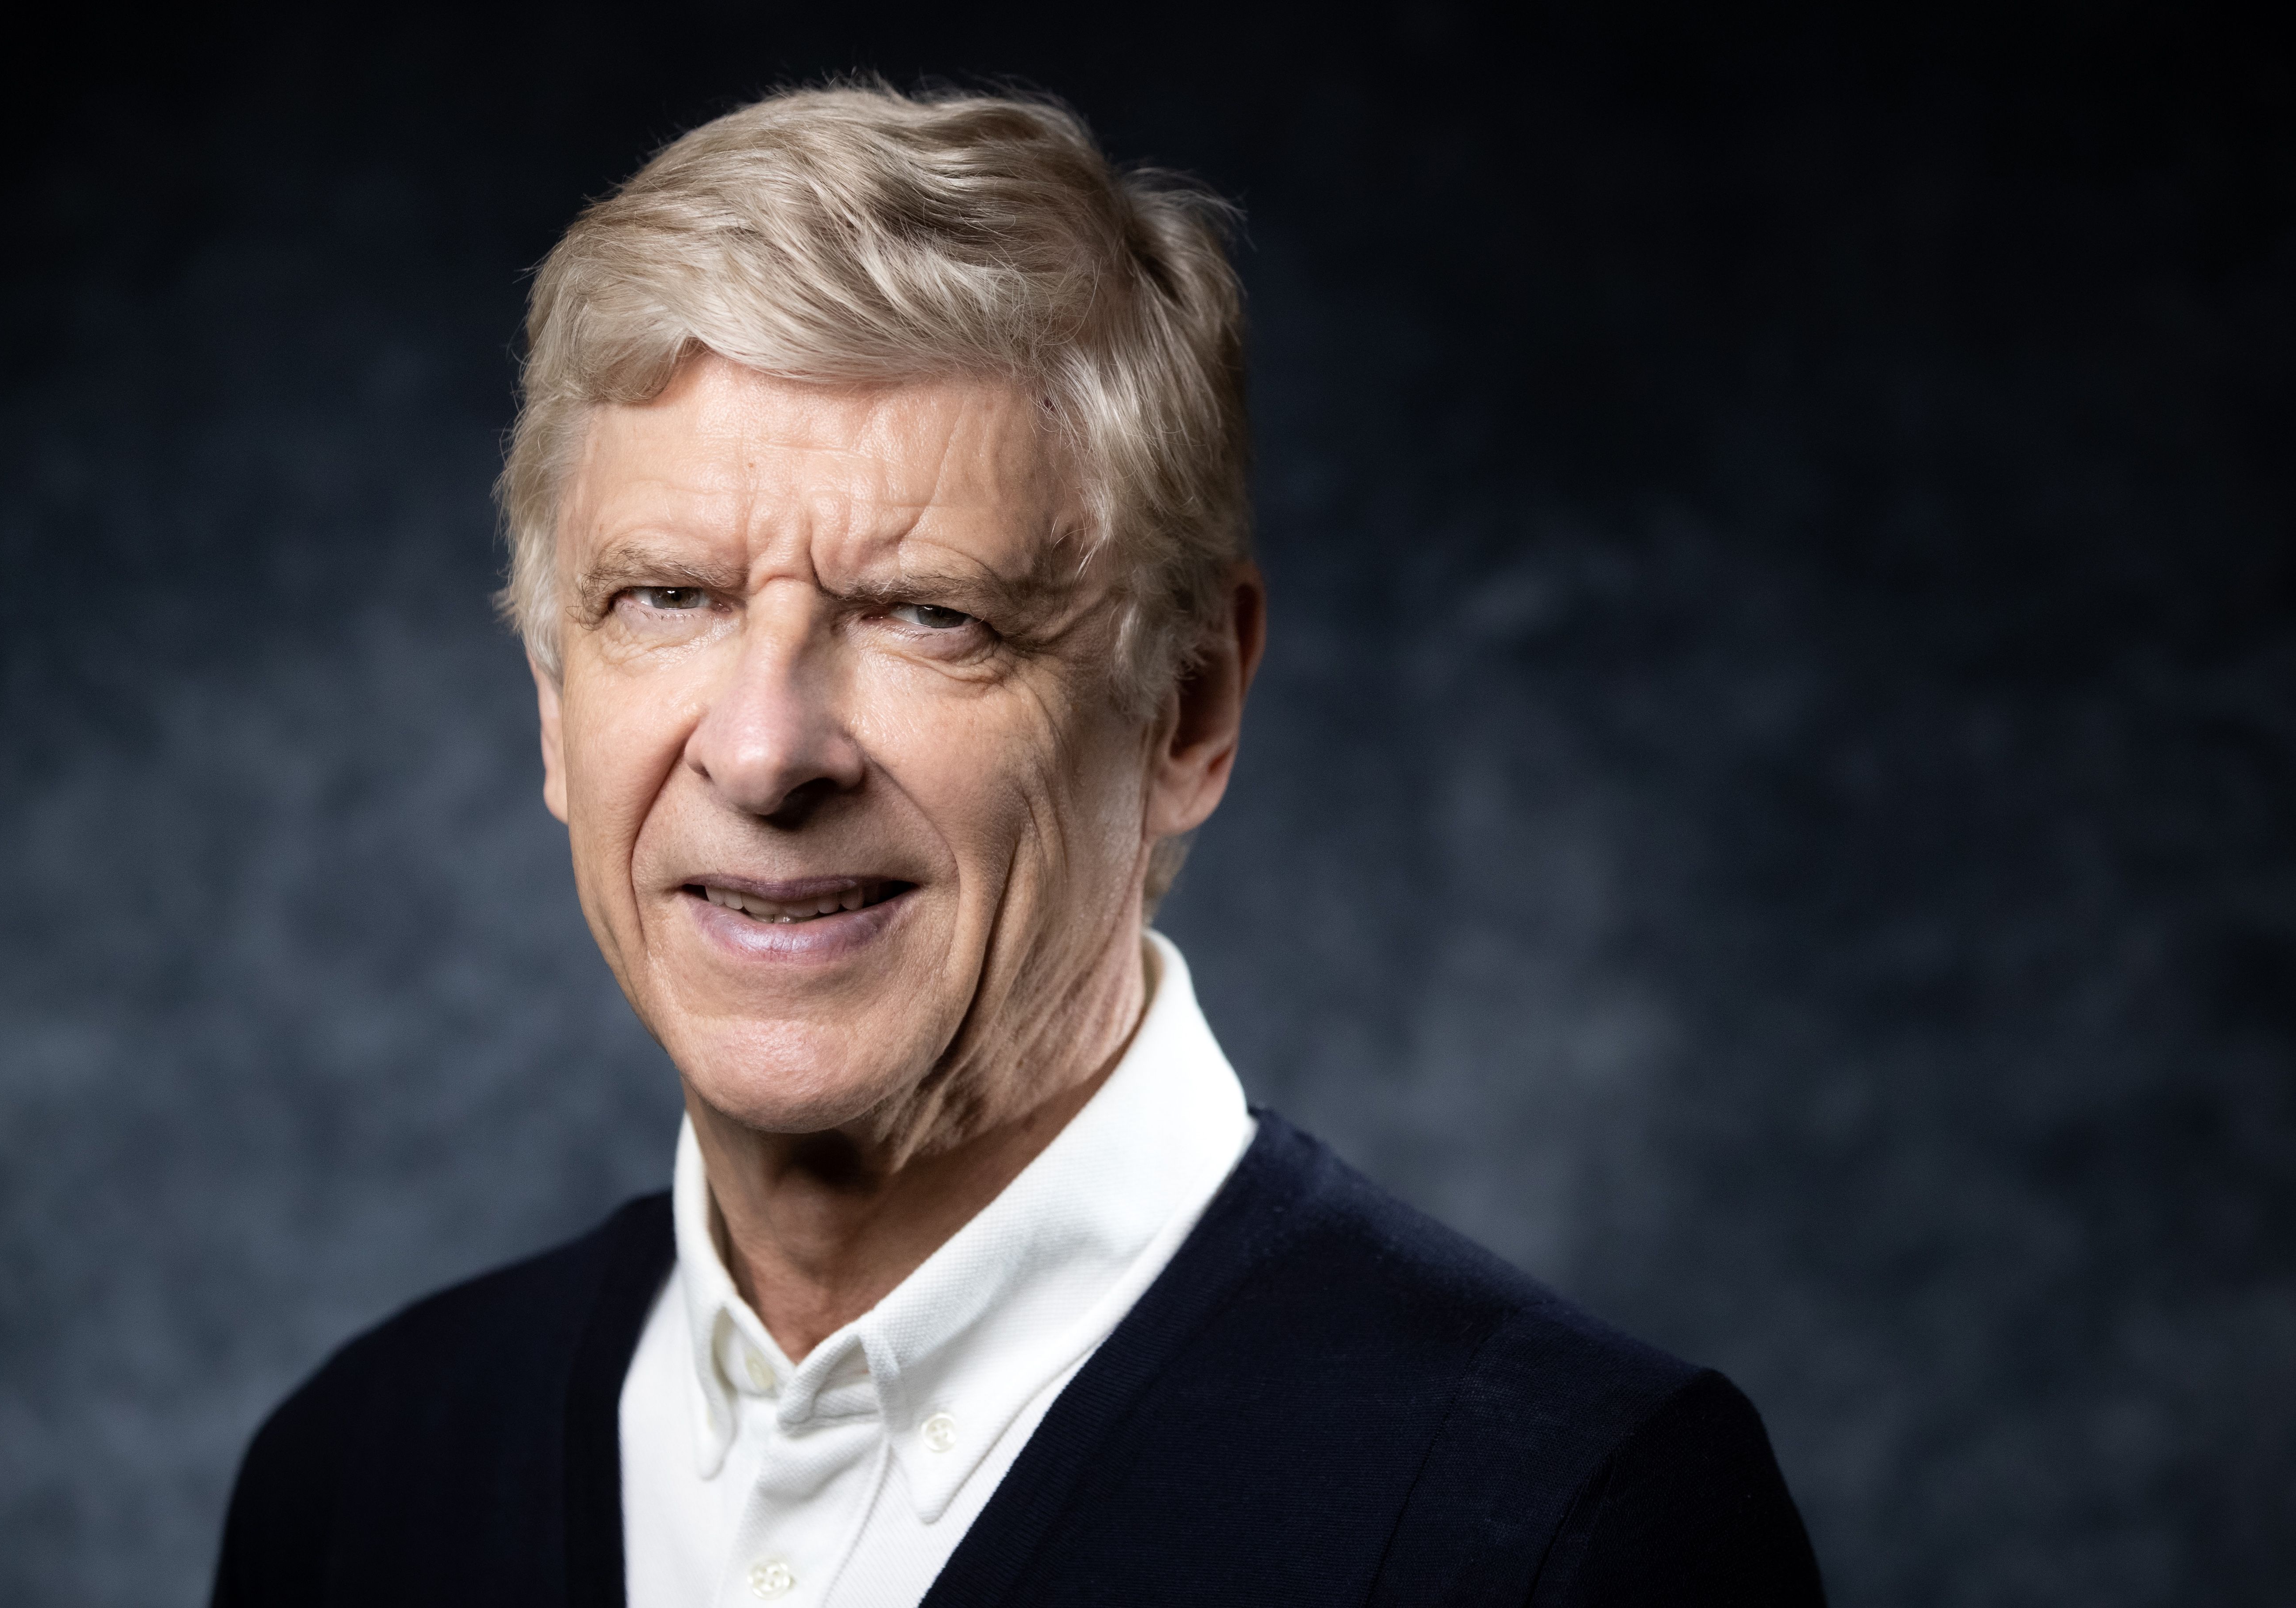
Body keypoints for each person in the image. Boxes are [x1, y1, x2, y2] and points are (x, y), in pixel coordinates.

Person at [210, 81, 1824, 1608]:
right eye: (667, 599)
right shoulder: (357, 1489)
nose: (766, 750)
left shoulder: (1571, 1530)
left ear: (1187, 708)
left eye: (932, 614)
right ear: (555, 706)